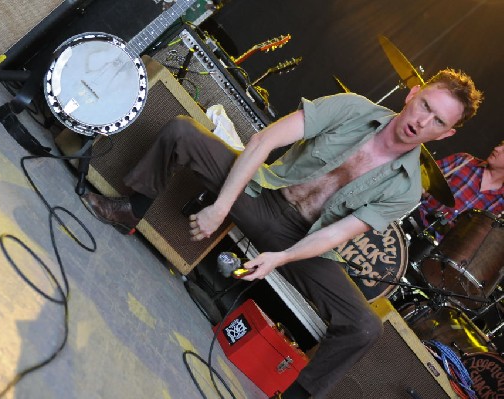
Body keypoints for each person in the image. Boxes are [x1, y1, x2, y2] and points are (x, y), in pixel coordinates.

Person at [81, 68, 482, 398]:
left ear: (445, 135)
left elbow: (338, 233)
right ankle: (128, 211)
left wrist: (282, 258)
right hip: (261, 193)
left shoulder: (408, 187)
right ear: (413, 93)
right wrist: (221, 206)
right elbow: (263, 140)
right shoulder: (352, 108)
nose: (422, 121)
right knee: (183, 132)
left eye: (438, 121)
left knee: (364, 326)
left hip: (304, 242)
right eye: (426, 105)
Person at [416, 141, 504, 242]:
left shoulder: (500, 205)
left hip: (437, 248)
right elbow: (420, 180)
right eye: (499, 145)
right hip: (415, 220)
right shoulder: (463, 160)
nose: (496, 149)